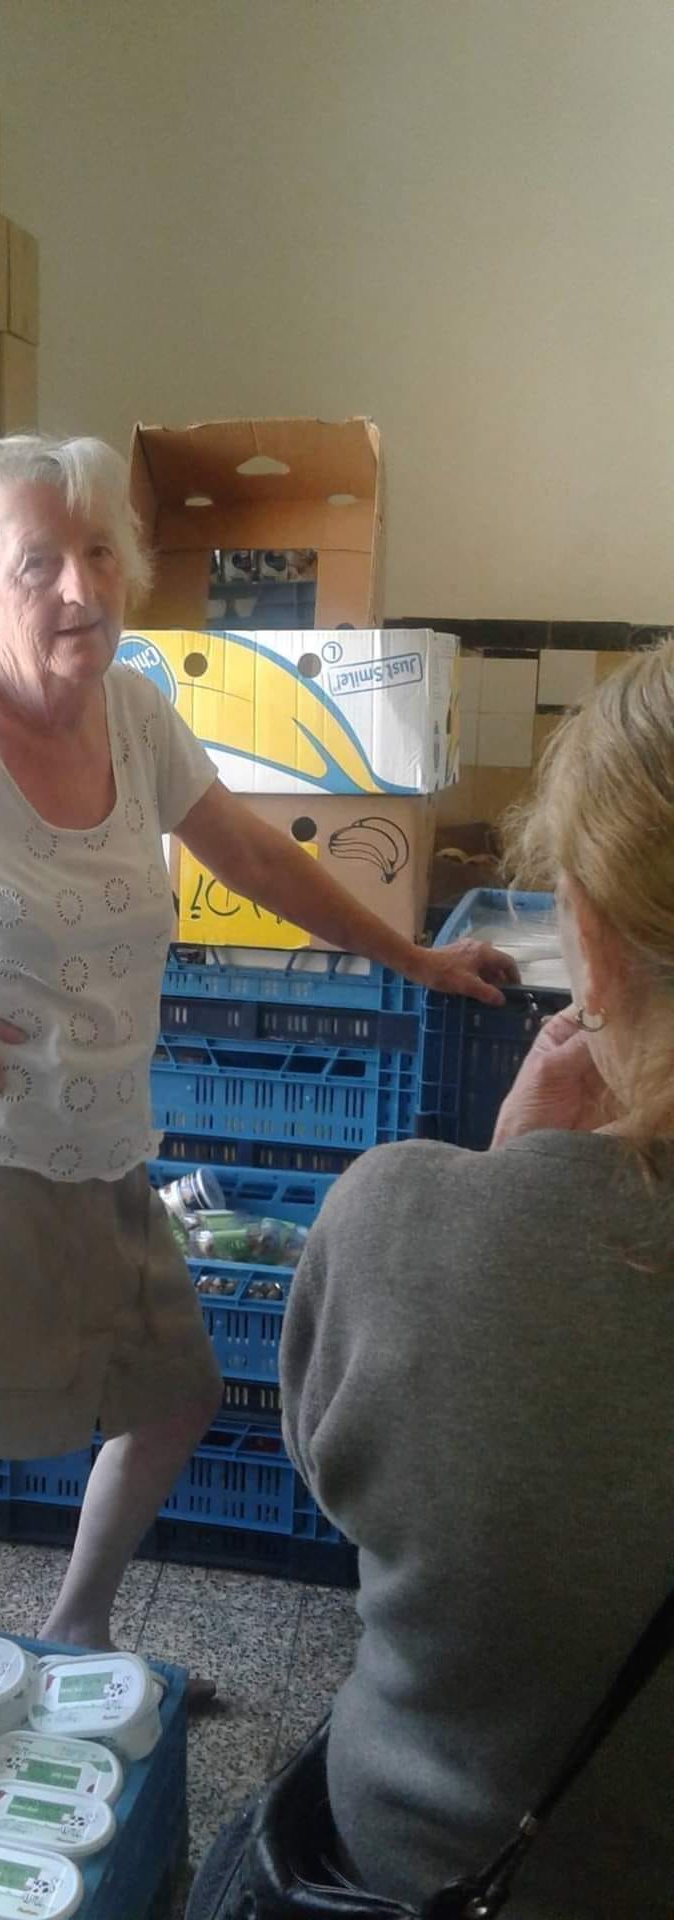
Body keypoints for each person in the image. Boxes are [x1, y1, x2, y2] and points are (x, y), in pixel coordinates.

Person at [0, 434, 512, 1657]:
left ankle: (74, 1636)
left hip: (94, 1130)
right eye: (38, 564)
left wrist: (414, 957)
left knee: (172, 1399)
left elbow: (254, 855)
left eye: (101, 552)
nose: (82, 587)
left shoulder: (132, 711)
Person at [278, 639, 674, 1917]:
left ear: (588, 937)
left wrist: (504, 1186)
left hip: (441, 1860)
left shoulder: (395, 1217)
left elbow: (348, 1482)